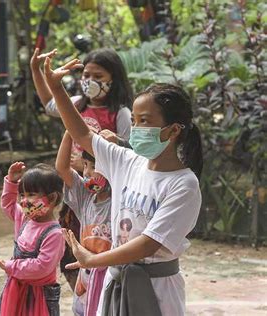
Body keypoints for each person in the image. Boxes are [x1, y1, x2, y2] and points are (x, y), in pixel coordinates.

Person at [44, 55, 203, 316]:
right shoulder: (127, 161)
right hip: (115, 281)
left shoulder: (183, 185)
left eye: (145, 121)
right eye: (134, 122)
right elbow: (82, 134)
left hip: (156, 289)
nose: (137, 128)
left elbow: (149, 243)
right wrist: (57, 88)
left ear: (173, 131)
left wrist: (94, 260)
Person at [31, 47, 133, 291]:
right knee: (72, 241)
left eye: (98, 76)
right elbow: (48, 104)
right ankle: (84, 288)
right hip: (77, 184)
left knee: (99, 240)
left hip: (104, 192)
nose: (90, 81)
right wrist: (36, 70)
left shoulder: (121, 114)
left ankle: (100, 283)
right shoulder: (75, 103)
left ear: (114, 79)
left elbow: (128, 153)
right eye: (86, 75)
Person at [0, 162, 65, 316]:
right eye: (22, 195)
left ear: (51, 198)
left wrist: (11, 266)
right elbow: (8, 205)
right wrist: (11, 182)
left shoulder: (54, 234)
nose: (24, 200)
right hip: (14, 289)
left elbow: (42, 266)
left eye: (31, 194)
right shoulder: (25, 218)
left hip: (39, 296)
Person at [55, 132, 112, 316]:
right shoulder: (85, 198)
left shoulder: (121, 199)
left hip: (111, 278)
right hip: (86, 281)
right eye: (85, 165)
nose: (87, 172)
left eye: (94, 166)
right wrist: (70, 132)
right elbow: (62, 168)